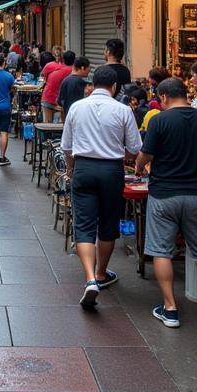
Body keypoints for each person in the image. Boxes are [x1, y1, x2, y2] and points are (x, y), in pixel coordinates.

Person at [135, 78, 197, 328]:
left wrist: (139, 166)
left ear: (163, 97)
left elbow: (146, 155)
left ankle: (170, 307)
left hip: (164, 195)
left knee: (162, 251)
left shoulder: (159, 120)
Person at [61, 65, 142, 309]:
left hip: (84, 168)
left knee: (84, 225)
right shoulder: (123, 110)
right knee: (107, 224)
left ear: (91, 84)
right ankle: (101, 273)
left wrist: (71, 168)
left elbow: (67, 146)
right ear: (115, 86)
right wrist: (121, 153)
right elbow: (135, 148)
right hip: (111, 170)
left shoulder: (77, 107)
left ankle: (89, 279)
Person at [41, 50, 75, 123]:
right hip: (62, 102)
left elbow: (43, 76)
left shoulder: (50, 65)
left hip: (48, 97)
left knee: (47, 125)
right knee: (62, 126)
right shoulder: (74, 71)